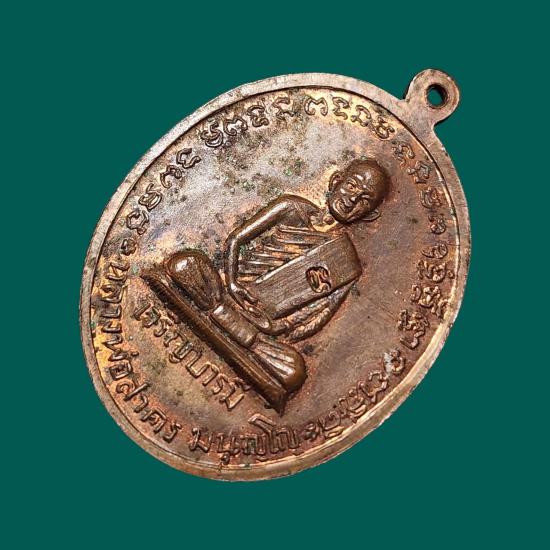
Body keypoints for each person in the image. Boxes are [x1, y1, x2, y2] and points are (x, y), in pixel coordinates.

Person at [165, 159, 390, 398]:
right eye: (352, 186)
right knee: (184, 265)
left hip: (261, 328)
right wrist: (232, 283)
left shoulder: (346, 263)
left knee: (293, 372)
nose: (352, 200)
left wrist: (278, 327)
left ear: (370, 215)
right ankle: (229, 323)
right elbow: (236, 240)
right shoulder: (291, 207)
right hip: (228, 292)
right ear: (336, 181)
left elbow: (320, 314)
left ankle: (227, 324)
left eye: (364, 200)